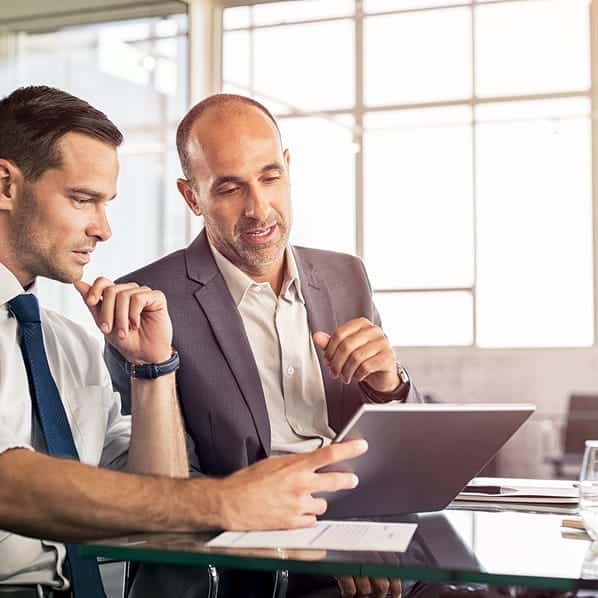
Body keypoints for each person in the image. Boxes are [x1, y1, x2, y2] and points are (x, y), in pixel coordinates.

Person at [0, 86, 366, 598]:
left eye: (107, 204)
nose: (104, 229)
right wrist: (228, 501)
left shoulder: (68, 344)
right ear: (5, 186)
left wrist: (153, 370)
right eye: (84, 200)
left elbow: (160, 515)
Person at [105, 94, 428, 598]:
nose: (259, 209)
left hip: (363, 537)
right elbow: (160, 493)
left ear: (289, 168)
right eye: (230, 188)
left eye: (270, 177)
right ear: (192, 197)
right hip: (248, 567)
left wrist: (390, 383)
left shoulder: (346, 275)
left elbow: (407, 450)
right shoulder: (149, 303)